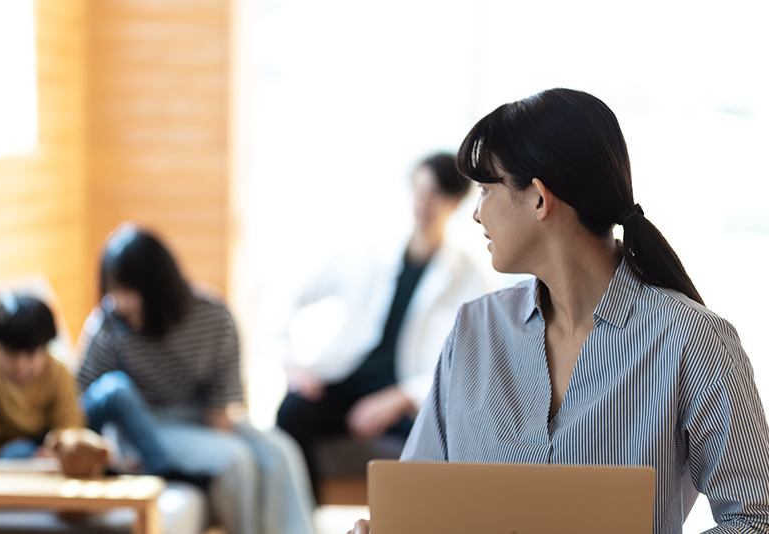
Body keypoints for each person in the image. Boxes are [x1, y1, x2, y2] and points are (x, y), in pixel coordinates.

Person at [349, 88, 769, 534]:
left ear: (538, 198)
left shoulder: (693, 341)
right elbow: (419, 508)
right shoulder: (475, 329)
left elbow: (756, 519)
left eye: (486, 190)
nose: (476, 214)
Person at [273, 153, 489, 497]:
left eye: (434, 194)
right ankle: (302, 519)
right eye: (417, 191)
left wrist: (400, 397)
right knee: (292, 411)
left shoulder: (468, 277)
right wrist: (292, 365)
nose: (422, 203)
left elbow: (466, 361)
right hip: (345, 384)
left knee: (449, 442)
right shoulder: (366, 255)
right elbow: (287, 298)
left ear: (456, 201)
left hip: (406, 397)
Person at [76, 224, 315, 534]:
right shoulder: (108, 324)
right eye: (114, 290)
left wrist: (218, 437)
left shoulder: (214, 318)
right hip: (144, 426)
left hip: (200, 415)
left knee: (280, 451)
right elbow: (85, 398)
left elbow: (220, 413)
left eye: (129, 291)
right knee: (235, 460)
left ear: (157, 287)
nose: (120, 302)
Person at [0, 294, 84, 470]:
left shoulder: (58, 368)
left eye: (31, 355)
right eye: (11, 355)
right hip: (11, 448)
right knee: (17, 451)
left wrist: (57, 450)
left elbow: (69, 422)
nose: (20, 367)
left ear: (46, 346)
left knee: (116, 391)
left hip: (51, 442)